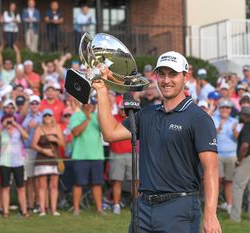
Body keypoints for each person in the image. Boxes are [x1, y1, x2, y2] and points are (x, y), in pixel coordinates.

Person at [92, 51, 221, 232]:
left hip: (180, 207)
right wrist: (102, 90)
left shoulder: (199, 118)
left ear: (186, 77)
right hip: (143, 208)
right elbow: (110, 134)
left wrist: (211, 214)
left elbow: (211, 168)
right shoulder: (147, 114)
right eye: (162, 74)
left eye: (172, 74)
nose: (166, 80)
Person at [69, 97, 105, 215]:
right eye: (89, 104)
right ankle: (76, 209)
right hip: (80, 156)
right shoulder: (76, 116)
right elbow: (76, 132)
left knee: (97, 183)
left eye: (93, 104)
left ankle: (99, 209)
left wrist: (95, 116)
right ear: (84, 105)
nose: (91, 106)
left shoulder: (97, 117)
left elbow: (105, 131)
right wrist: (87, 119)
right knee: (78, 183)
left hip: (96, 156)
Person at [0, 113, 29, 218]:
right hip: (4, 162)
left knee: (21, 187)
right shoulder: (1, 132)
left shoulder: (17, 131)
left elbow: (26, 136)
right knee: (5, 187)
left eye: (11, 120)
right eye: (7, 120)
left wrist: (16, 125)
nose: (9, 122)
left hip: (18, 162)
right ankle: (5, 212)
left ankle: (24, 211)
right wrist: (2, 126)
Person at [31, 109, 65, 216]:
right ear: (42, 117)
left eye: (49, 115)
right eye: (45, 115)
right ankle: (42, 209)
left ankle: (53, 209)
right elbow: (33, 144)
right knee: (42, 185)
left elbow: (63, 144)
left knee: (54, 184)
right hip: (42, 159)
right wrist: (43, 150)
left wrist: (55, 140)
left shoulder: (57, 128)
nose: (47, 117)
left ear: (52, 117)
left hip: (54, 158)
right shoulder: (39, 129)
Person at [230, 106, 250, 222]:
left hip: (248, 159)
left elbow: (245, 145)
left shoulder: (247, 127)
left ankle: (235, 218)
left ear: (244, 115)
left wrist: (239, 159)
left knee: (238, 187)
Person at [108, 96, 133, 214]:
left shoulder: (133, 119)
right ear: (118, 109)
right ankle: (116, 204)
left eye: (125, 109)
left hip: (132, 153)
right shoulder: (113, 118)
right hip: (117, 153)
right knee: (117, 181)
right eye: (121, 109)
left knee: (136, 181)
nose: (123, 111)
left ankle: (136, 204)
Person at [213, 99, 238, 214]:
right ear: (220, 109)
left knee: (229, 181)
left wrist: (234, 131)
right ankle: (212, 205)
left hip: (232, 155)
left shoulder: (234, 121)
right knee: (217, 181)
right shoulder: (214, 119)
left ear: (230, 110)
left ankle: (229, 205)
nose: (225, 110)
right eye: (223, 107)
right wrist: (218, 129)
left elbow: (239, 139)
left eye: (227, 108)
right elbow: (209, 136)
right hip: (217, 155)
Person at [21, 95, 42, 212]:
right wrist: (29, 127)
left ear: (39, 105)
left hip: (39, 149)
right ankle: (30, 204)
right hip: (29, 150)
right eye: (32, 103)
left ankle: (40, 203)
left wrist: (37, 126)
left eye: (36, 103)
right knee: (29, 178)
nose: (34, 105)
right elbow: (23, 135)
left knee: (39, 178)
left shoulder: (44, 115)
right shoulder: (27, 118)